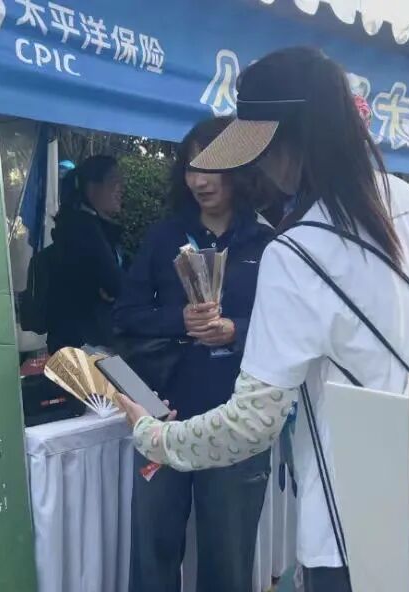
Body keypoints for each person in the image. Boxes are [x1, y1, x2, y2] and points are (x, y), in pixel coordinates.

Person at [114, 47, 409, 592]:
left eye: (260, 150)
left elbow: (250, 423)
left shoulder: (295, 250)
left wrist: (154, 436)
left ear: (289, 141)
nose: (260, 168)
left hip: (348, 525)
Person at [113, 116, 273, 592]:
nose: (199, 180)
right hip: (164, 411)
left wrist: (235, 330)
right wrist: (178, 321)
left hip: (237, 416)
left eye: (211, 166)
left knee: (228, 557)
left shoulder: (268, 243)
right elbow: (125, 315)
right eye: (190, 166)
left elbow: (287, 328)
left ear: (241, 168)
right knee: (154, 551)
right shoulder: (165, 237)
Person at [46, 155, 124, 353]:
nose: (120, 189)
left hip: (81, 338)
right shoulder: (85, 229)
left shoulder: (89, 225)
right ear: (92, 187)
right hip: (85, 342)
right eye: (113, 181)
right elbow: (115, 283)